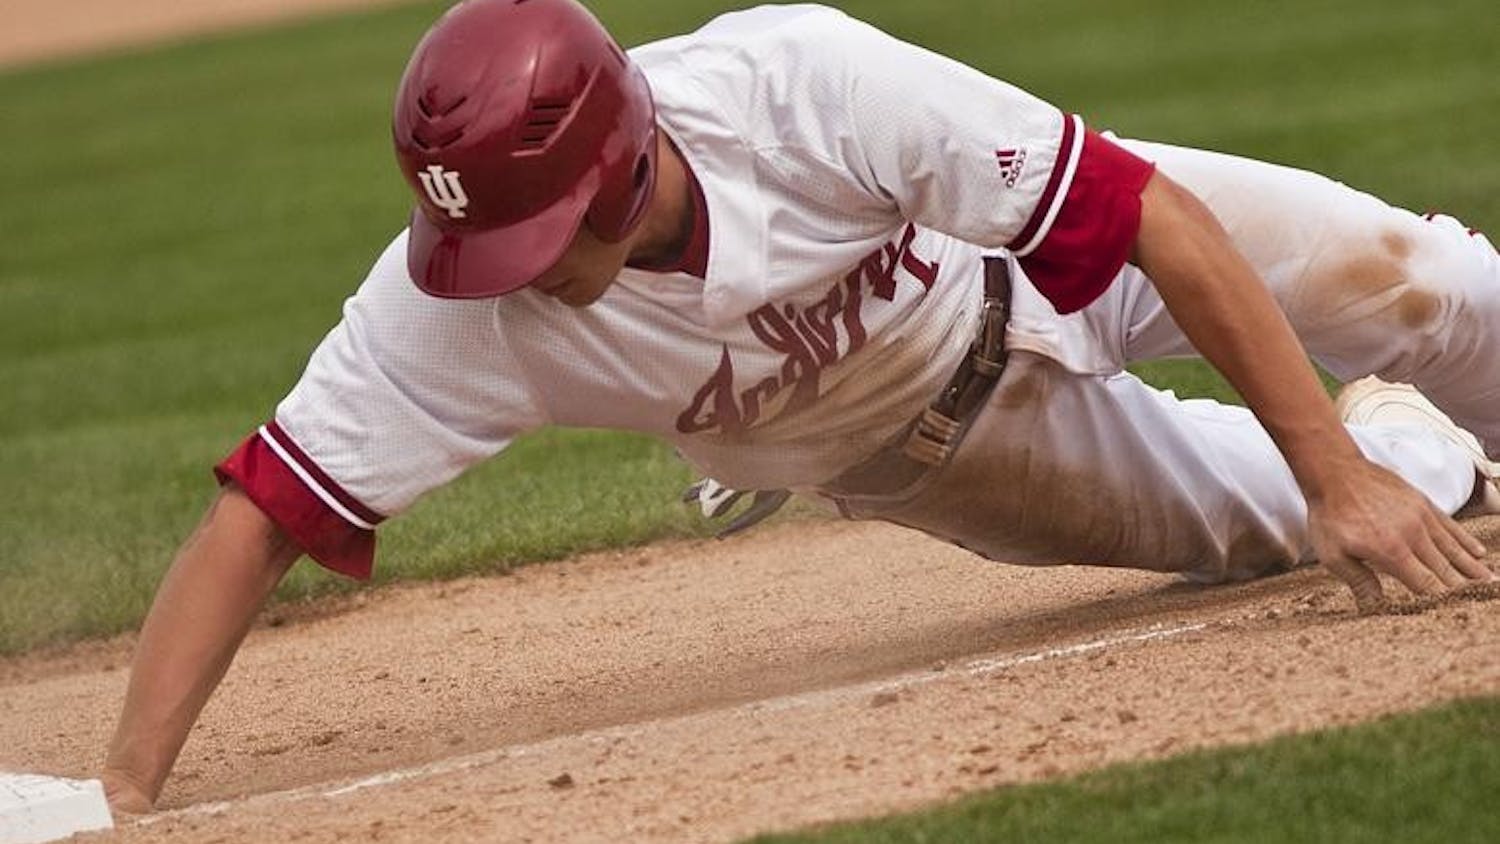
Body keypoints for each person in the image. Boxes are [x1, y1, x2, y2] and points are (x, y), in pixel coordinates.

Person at [100, 0, 1499, 814]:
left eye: (536, 238)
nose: (507, 281)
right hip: (952, 456)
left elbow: (1146, 221)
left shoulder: (802, 84)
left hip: (1008, 254)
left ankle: (1389, 431)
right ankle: (1415, 452)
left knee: (1428, 280)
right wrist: (128, 800)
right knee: (1335, 513)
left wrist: (1330, 470)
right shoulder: (456, 305)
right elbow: (264, 513)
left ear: (620, 161)